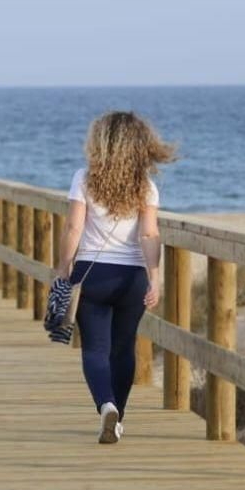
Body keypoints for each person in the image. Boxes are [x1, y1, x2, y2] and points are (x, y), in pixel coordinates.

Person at [55, 111, 175, 444]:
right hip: (131, 278)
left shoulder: (84, 177)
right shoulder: (146, 186)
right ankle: (118, 417)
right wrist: (155, 278)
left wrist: (64, 265)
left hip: (92, 274)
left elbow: (73, 227)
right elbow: (149, 235)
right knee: (123, 350)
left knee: (95, 349)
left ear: (102, 142)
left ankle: (105, 404)